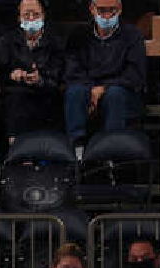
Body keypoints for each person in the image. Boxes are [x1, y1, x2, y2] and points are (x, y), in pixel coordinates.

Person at [63, 0, 146, 160]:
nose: (107, 16)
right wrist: (91, 89)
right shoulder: (78, 35)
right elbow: (72, 70)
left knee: (115, 94)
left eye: (112, 10)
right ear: (92, 9)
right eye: (102, 10)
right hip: (86, 88)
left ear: (120, 9)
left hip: (120, 91)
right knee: (75, 92)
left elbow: (134, 74)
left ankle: (111, 152)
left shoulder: (132, 35)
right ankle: (77, 149)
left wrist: (103, 88)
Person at [0, 0, 65, 142]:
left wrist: (40, 80)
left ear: (43, 16)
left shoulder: (55, 42)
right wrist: (12, 75)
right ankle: (15, 150)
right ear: (19, 18)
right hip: (15, 95)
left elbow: (58, 77)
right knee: (15, 99)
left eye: (36, 14)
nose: (31, 19)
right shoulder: (6, 40)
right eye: (26, 15)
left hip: (46, 94)